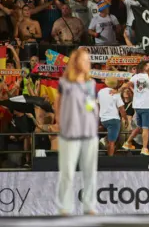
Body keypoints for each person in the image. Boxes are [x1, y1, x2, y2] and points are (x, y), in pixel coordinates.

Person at [55, 48, 99, 215]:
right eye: (85, 60)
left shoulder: (91, 84)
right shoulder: (64, 83)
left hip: (89, 133)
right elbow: (57, 104)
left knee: (90, 173)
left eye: (89, 60)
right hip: (70, 133)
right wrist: (59, 122)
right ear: (75, 62)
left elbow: (92, 104)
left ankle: (89, 206)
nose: (88, 63)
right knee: (67, 172)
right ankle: (64, 207)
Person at [122, 61, 149, 155]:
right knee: (146, 128)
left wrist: (118, 91)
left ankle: (127, 142)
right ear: (145, 66)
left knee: (139, 127)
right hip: (146, 106)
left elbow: (127, 85)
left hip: (137, 106)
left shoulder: (135, 77)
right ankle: (145, 148)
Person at [97, 80, 126, 156]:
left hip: (103, 119)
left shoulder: (100, 92)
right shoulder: (115, 93)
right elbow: (122, 109)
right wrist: (125, 119)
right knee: (112, 142)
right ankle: (110, 159)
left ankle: (102, 143)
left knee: (109, 138)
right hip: (113, 120)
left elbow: (98, 105)